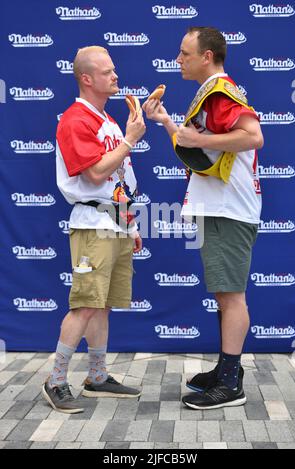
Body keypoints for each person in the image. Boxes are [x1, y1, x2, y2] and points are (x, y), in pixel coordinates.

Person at [143, 27, 264, 410]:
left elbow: (254, 136)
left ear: (206, 56)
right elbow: (195, 154)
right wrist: (165, 120)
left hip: (228, 209)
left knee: (231, 296)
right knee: (224, 293)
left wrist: (204, 140)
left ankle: (231, 384)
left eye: (184, 53)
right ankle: (227, 370)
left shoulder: (219, 92)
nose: (178, 59)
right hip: (219, 207)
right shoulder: (208, 94)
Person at [42, 46, 146, 414]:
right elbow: (95, 173)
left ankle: (97, 376)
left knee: (102, 306)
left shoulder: (108, 120)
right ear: (87, 79)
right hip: (91, 224)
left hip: (114, 223)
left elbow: (120, 180)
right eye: (107, 72)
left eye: (114, 70)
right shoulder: (75, 119)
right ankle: (55, 380)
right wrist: (131, 140)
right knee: (86, 304)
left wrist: (130, 223)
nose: (115, 76)